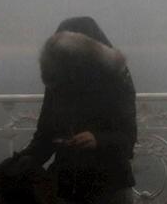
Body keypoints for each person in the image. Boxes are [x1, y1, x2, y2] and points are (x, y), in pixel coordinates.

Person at [16, 16, 138, 204]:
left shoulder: (114, 77)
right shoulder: (58, 79)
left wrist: (97, 139)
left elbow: (128, 137)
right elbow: (45, 135)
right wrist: (23, 161)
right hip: (66, 187)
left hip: (110, 185)